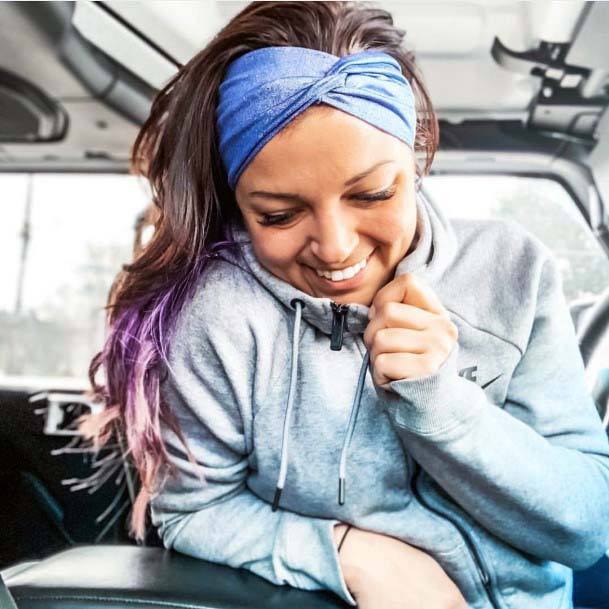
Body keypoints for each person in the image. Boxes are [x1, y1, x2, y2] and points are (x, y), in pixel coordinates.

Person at [86, 2, 609, 609]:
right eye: (278, 214)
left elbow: (588, 526)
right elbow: (193, 510)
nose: (335, 248)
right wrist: (349, 554)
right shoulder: (220, 312)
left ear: (417, 161)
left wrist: (446, 409)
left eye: (373, 193)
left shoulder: (514, 272)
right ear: (238, 204)